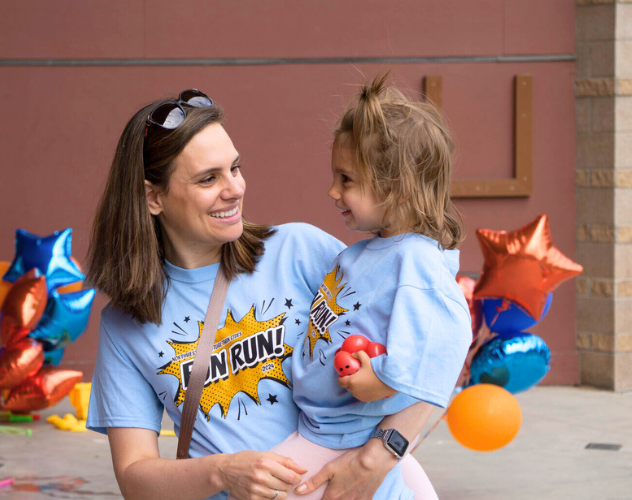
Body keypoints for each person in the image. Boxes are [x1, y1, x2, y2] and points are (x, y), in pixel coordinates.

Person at [85, 89, 441, 500]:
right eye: (208, 178)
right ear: (153, 197)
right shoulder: (125, 323)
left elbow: (430, 349)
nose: (234, 188)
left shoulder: (300, 251)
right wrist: (221, 472)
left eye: (234, 168)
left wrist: (379, 456)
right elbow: (134, 477)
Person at [270, 73, 473, 500]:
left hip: (343, 437)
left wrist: (383, 379)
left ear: (397, 188)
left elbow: (448, 338)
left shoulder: (416, 260)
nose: (332, 191)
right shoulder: (368, 252)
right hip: (323, 428)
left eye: (346, 179)